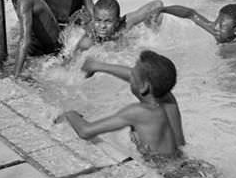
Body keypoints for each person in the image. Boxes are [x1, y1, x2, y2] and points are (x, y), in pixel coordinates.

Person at [55, 51, 185, 157]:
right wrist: (97, 66)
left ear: (144, 87)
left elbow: (85, 131)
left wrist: (70, 114)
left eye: (132, 76)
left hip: (167, 174)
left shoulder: (139, 112)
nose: (129, 77)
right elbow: (140, 77)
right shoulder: (167, 98)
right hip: (184, 162)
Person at [69, 0, 164, 57]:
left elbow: (157, 4)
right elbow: (70, 60)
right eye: (98, 21)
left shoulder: (125, 24)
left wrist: (153, 31)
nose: (102, 26)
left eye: (108, 22)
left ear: (118, 21)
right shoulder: (90, 36)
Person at [159, 3, 236, 54]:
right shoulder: (221, 34)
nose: (215, 27)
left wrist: (231, 47)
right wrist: (163, 9)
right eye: (216, 21)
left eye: (221, 25)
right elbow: (191, 14)